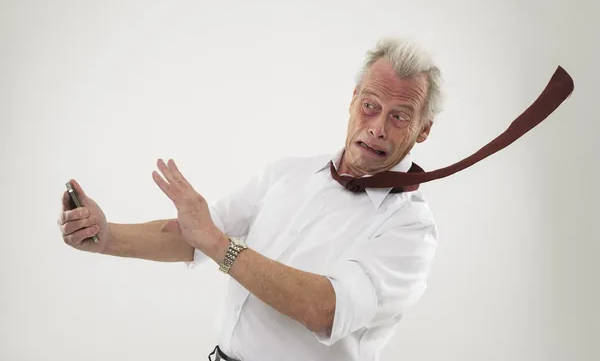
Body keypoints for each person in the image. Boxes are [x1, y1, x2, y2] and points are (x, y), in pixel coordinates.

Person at [57, 36, 443, 361]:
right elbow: (196, 235)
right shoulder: (289, 173)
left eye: (399, 117)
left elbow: (326, 309)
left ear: (422, 131)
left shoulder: (411, 229)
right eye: (371, 106)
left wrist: (218, 245)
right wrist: (105, 237)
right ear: (354, 99)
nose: (377, 128)